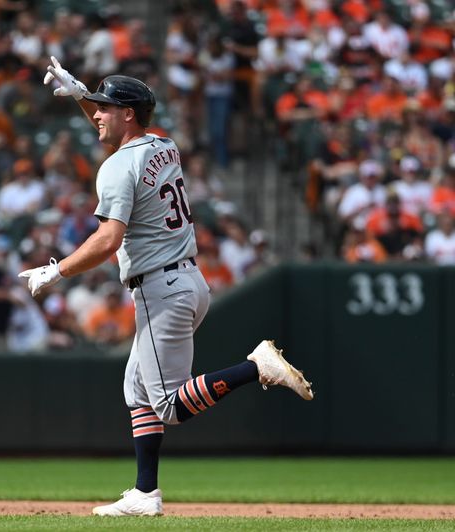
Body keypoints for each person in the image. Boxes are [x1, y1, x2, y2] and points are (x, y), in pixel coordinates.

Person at [19, 57, 314, 517]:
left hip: (162, 289)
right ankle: (144, 493)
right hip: (185, 281)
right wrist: (81, 93)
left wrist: (56, 272)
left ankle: (255, 367)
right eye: (94, 105)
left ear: (128, 113)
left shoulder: (119, 166)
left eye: (103, 107)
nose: (96, 114)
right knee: (136, 389)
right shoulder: (164, 144)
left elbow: (108, 239)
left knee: (170, 405)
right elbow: (124, 146)